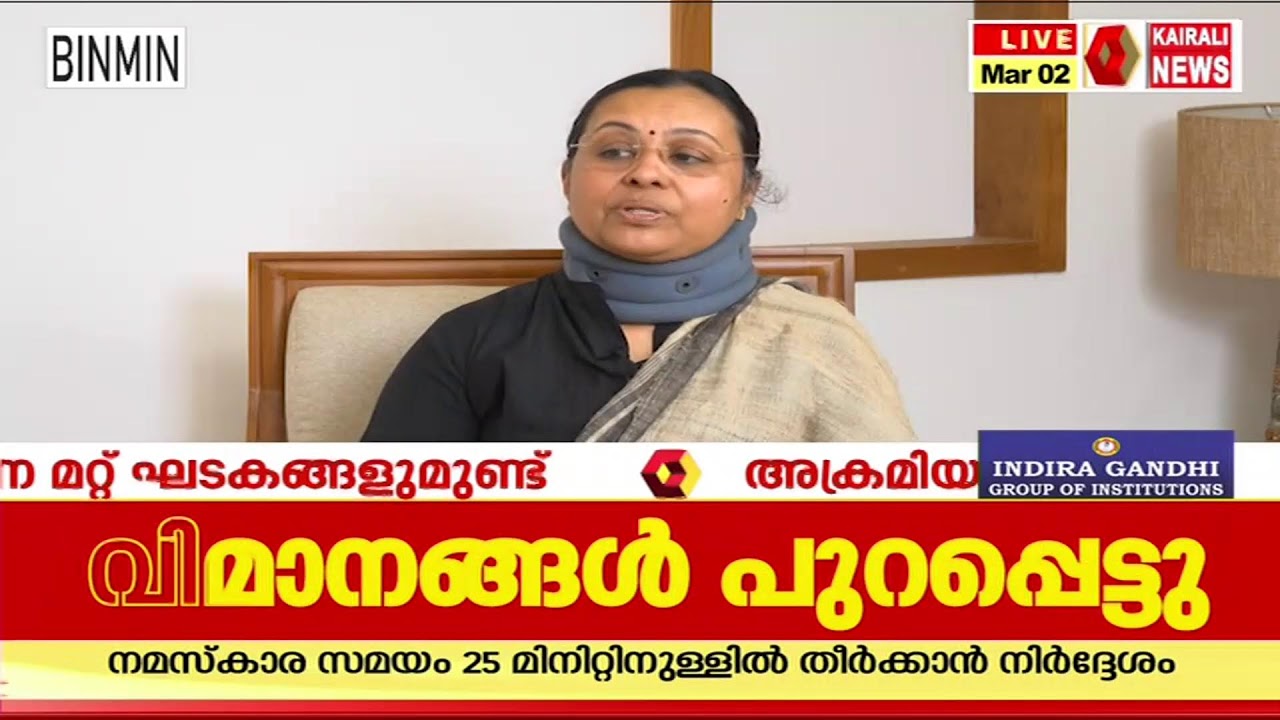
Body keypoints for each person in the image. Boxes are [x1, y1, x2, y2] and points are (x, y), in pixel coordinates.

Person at [361, 68, 915, 442]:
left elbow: (895, 535)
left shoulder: (815, 339)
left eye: (688, 156)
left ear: (747, 191)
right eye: (615, 150)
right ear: (567, 178)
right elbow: (382, 539)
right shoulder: (473, 339)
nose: (646, 172)